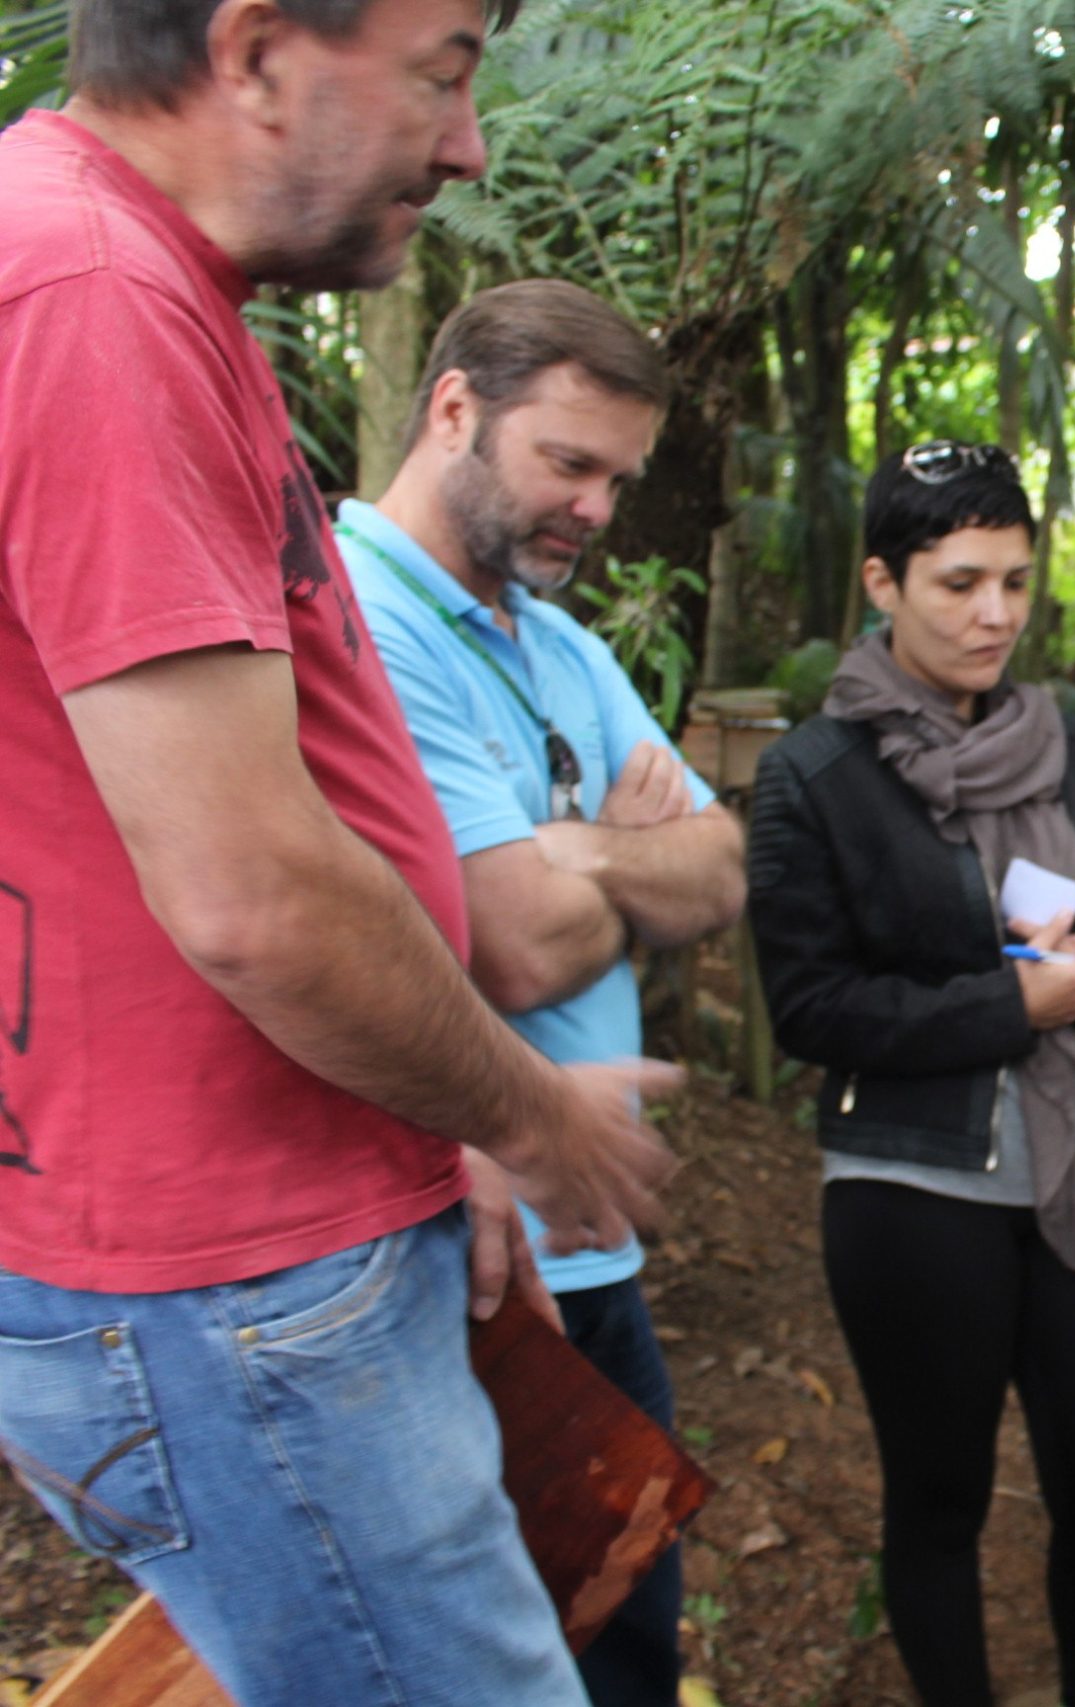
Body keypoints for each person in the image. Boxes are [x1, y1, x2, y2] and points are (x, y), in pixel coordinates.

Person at [0, 4, 677, 1705]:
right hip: (229, 1293)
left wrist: (416, 1116)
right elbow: (251, 892)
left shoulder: (134, 279)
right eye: (445, 72)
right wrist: (528, 1110)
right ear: (252, 48)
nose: (468, 146)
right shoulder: (89, 299)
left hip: (258, 1248)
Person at [340, 279, 745, 1707]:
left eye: (618, 480)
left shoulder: (556, 639)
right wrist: (618, 852)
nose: (596, 508)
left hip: (593, 1251)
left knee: (623, 1614)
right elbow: (508, 946)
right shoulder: (357, 614)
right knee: (485, 1656)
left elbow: (721, 868)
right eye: (567, 462)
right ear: (454, 406)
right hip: (451, 1250)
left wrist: (578, 856)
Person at [748, 441, 1075, 1707]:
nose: (996, 616)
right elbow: (811, 1009)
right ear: (882, 581)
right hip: (915, 1191)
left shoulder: (1063, 740)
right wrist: (1002, 1004)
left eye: (1017, 583)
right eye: (959, 582)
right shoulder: (812, 777)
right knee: (941, 1497)